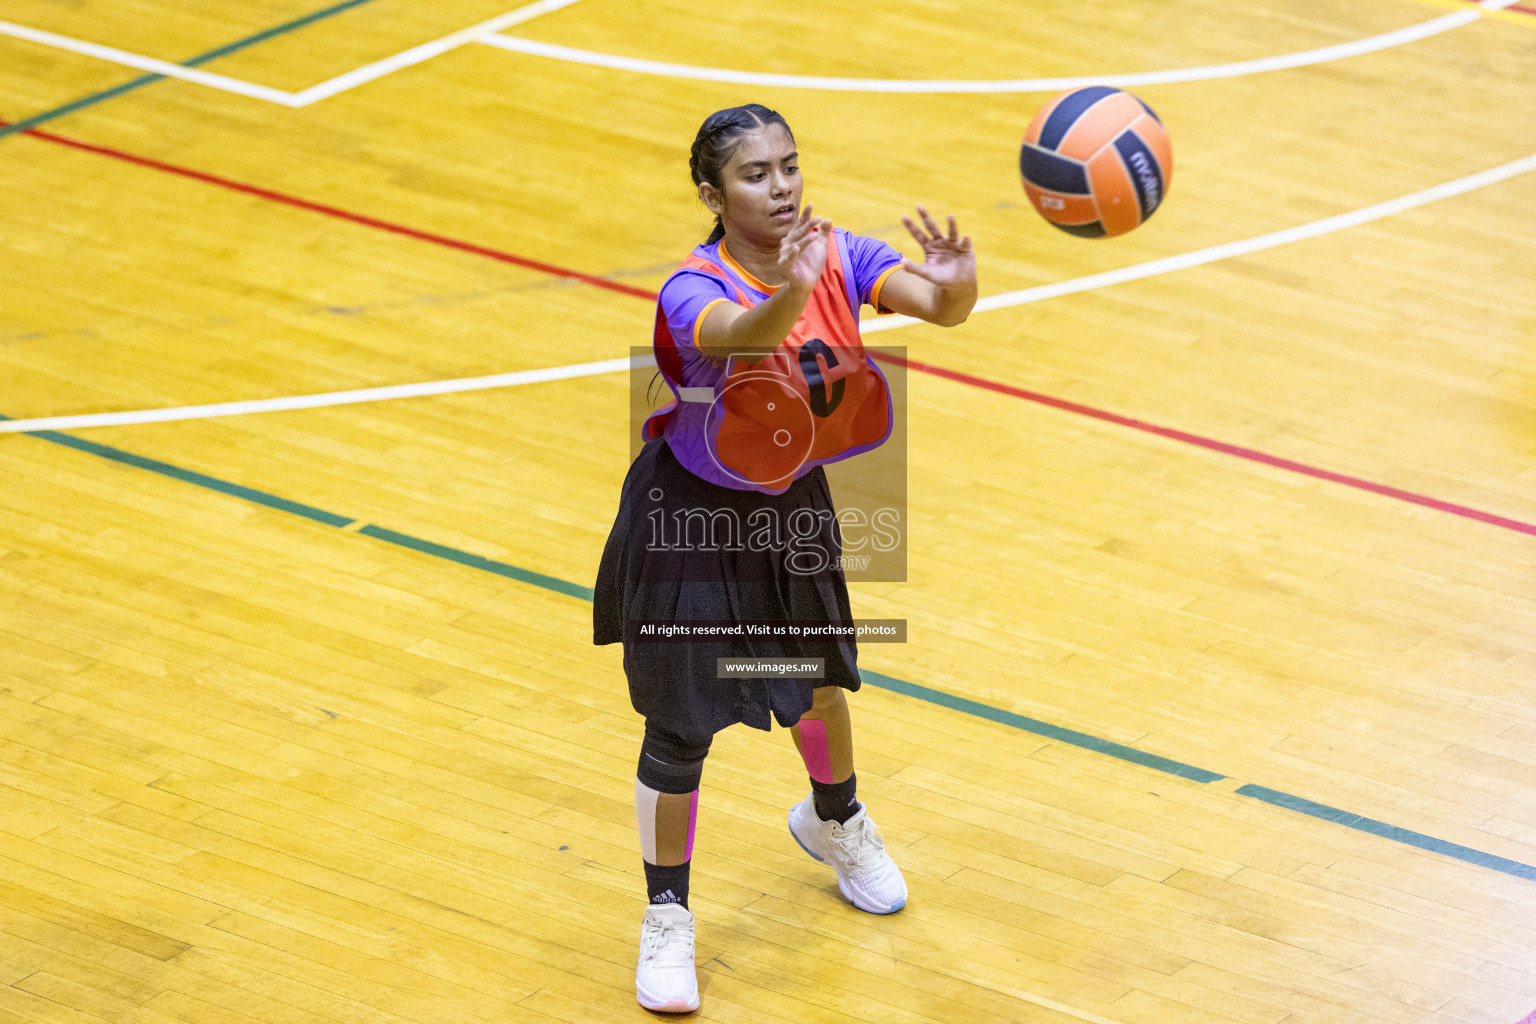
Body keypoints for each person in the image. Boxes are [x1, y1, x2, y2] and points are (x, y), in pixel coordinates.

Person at [593, 102, 977, 1013]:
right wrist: (793, 294)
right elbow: (739, 335)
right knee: (680, 727)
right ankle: (667, 916)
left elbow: (938, 308)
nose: (781, 187)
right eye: (755, 175)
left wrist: (956, 286)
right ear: (712, 194)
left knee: (815, 682)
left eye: (789, 167)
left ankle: (834, 819)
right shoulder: (690, 286)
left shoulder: (839, 253)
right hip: (689, 521)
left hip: (788, 508)